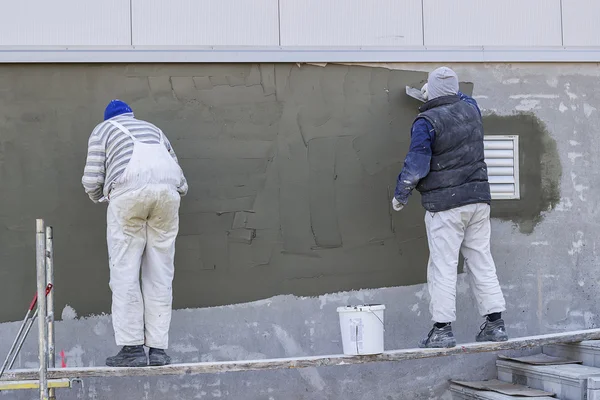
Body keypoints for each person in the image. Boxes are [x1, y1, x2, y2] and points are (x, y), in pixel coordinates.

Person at [392, 67, 507, 348]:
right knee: (481, 259)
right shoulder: (472, 109)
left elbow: (416, 167)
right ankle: (496, 324)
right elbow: (462, 99)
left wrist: (401, 195)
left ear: (430, 90)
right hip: (478, 201)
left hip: (446, 207)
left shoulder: (425, 121)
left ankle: (442, 330)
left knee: (442, 266)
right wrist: (439, 95)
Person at [82, 100, 188, 367]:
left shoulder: (103, 130)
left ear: (108, 118)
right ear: (132, 116)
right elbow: (181, 180)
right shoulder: (154, 130)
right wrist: (169, 193)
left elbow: (92, 179)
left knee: (125, 272)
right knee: (161, 272)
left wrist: (101, 196)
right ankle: (158, 350)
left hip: (128, 194)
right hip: (168, 194)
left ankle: (131, 349)